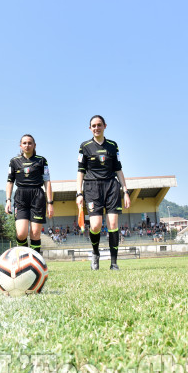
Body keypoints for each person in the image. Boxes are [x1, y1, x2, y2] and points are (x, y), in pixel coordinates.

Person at [76, 115, 131, 271]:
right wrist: (78, 193)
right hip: (92, 187)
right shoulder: (84, 146)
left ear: (105, 126)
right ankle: (95, 253)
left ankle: (114, 263)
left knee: (113, 223)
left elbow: (118, 170)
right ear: (90, 128)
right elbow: (80, 172)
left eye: (99, 125)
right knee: (95, 225)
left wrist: (125, 191)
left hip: (111, 186)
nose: (96, 128)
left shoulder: (113, 145)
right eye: (93, 125)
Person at [5, 134, 54, 255]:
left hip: (37, 196)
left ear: (34, 145)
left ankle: (34, 260)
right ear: (20, 145)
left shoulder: (41, 161)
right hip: (21, 196)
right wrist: (8, 200)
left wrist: (50, 203)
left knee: (35, 233)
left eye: (30, 143)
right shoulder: (14, 162)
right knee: (21, 233)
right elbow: (10, 182)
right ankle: (23, 257)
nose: (27, 145)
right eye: (25, 143)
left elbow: (47, 182)